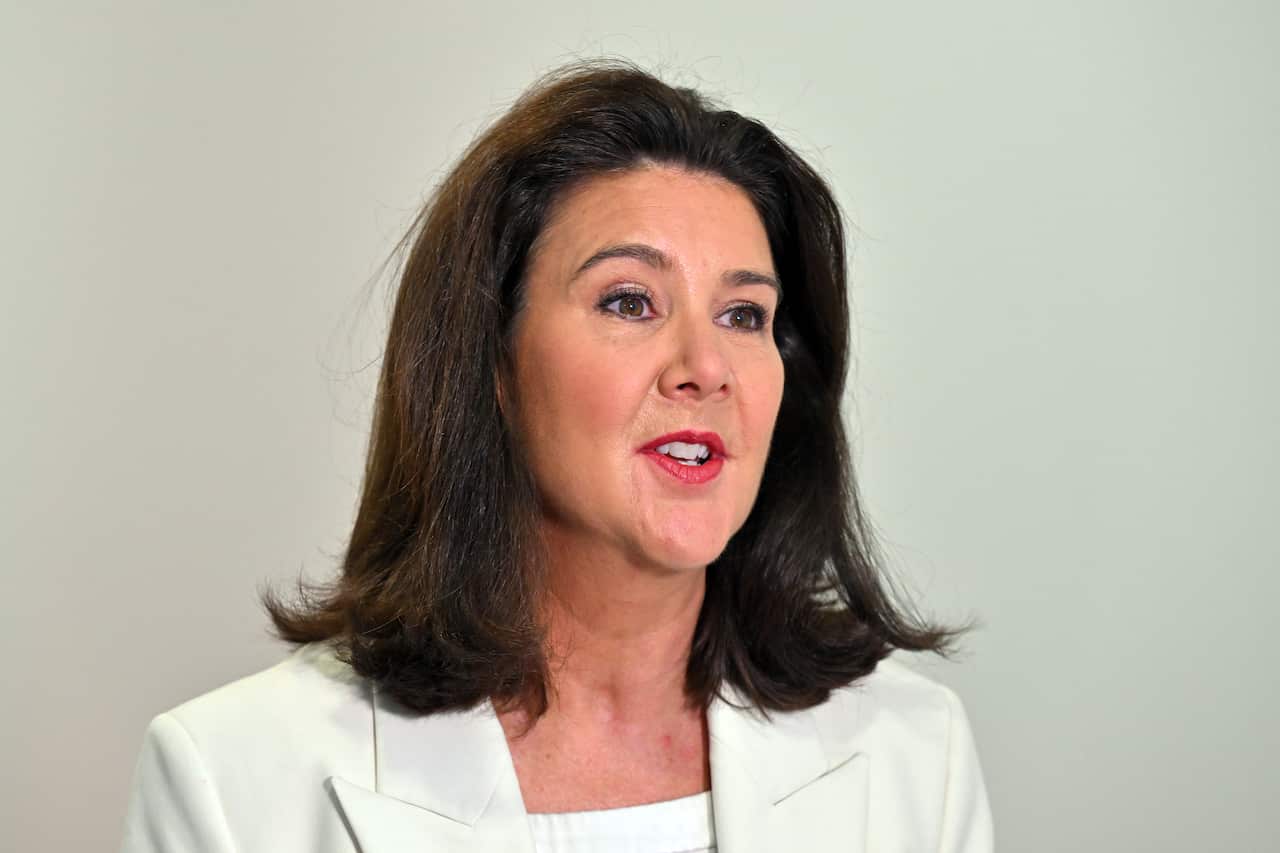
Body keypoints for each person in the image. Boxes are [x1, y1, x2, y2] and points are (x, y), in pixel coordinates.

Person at [120, 59, 994, 852]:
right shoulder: (231, 782)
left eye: (744, 315)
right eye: (629, 301)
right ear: (493, 361)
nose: (705, 369)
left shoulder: (916, 754)